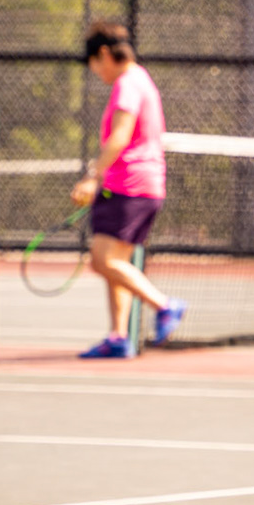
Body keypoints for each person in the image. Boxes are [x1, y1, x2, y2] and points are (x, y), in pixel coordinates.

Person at [72, 22, 184, 358]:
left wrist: (93, 176)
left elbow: (120, 136)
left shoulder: (128, 83)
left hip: (129, 186)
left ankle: (165, 305)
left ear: (104, 54)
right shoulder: (141, 79)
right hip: (142, 185)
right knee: (116, 263)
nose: (96, 71)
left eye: (94, 63)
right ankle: (119, 337)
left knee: (102, 260)